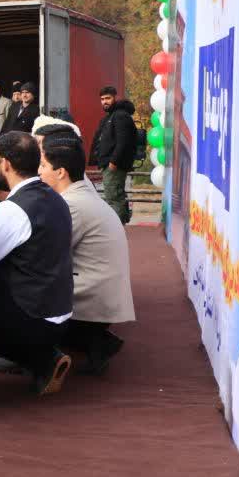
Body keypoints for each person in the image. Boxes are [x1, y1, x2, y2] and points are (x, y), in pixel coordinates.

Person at [0, 131, 74, 396]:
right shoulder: (55, 198)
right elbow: (1, 235)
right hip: (59, 314)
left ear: (6, 165)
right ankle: (41, 357)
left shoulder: (13, 209)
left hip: (32, 320)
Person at [39, 140, 136, 374]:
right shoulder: (82, 197)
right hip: (101, 291)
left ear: (60, 172)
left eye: (42, 166)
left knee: (20, 292)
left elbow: (44, 254)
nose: (39, 172)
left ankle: (34, 358)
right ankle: (93, 342)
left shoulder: (72, 204)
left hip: (93, 297)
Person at [89, 86, 137, 224]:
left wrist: (113, 162)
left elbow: (124, 142)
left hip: (114, 165)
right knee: (115, 195)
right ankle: (122, 223)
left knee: (113, 197)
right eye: (102, 99)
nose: (105, 102)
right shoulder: (111, 116)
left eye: (108, 98)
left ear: (115, 98)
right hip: (108, 163)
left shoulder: (120, 115)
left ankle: (118, 226)